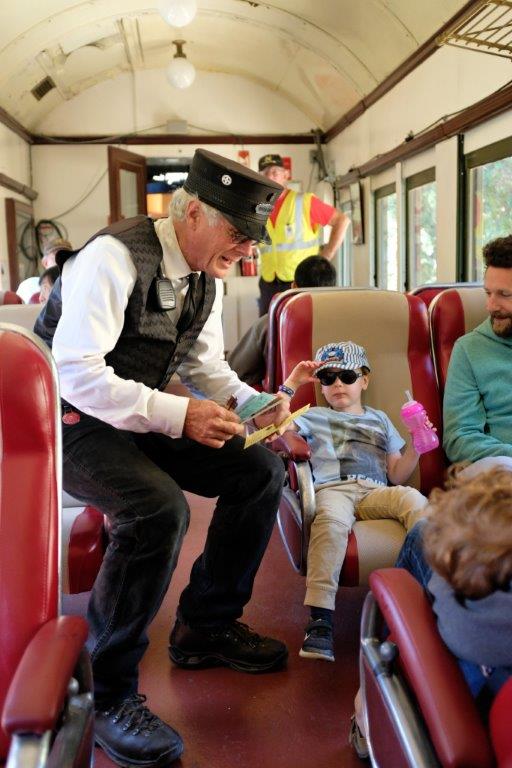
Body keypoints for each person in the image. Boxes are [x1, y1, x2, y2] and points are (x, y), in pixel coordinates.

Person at [34, 149, 292, 768]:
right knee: (156, 509)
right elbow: (75, 376)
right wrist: (181, 414)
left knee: (259, 470)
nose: (248, 253)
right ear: (194, 213)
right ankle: (107, 692)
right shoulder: (112, 258)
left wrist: (255, 402)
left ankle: (204, 624)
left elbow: (205, 366)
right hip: (67, 420)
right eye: (240, 235)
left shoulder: (206, 271)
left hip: (138, 409)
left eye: (253, 241)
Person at [280, 340, 429, 662]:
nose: (337, 385)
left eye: (346, 377)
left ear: (364, 380)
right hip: (333, 488)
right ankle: (320, 619)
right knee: (331, 522)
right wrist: (291, 385)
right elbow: (272, 424)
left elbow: (398, 474)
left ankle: (426, 587)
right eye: (328, 378)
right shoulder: (314, 416)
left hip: (375, 490)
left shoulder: (381, 420)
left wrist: (416, 446)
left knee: (415, 500)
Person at [350, 465, 512, 760]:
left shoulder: (464, 616)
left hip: (478, 696)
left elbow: (442, 586)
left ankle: (378, 687)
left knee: (421, 534)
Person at [443, 235, 512, 475]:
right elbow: (459, 438)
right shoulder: (468, 350)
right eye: (488, 293)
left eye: (505, 294)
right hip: (498, 470)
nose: (491, 306)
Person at [256, 153, 350, 314]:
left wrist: (324, 257)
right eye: (264, 174)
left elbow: (342, 220)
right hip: (269, 283)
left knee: (300, 330)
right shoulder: (258, 208)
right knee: (268, 331)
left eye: (274, 172)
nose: (269, 177)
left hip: (301, 282)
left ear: (286, 175)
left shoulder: (304, 202)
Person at [228, 255, 337, 385]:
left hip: (284, 399)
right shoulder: (347, 321)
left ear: (293, 286)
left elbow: (236, 370)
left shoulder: (270, 323)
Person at [15, 237, 73, 302]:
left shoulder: (77, 286)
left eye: (68, 258)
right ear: (45, 263)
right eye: (58, 258)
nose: (64, 262)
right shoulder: (29, 287)